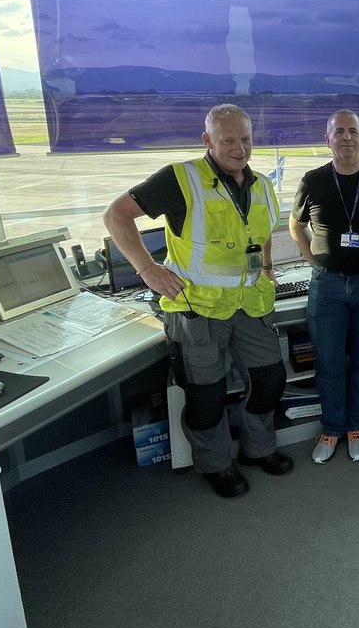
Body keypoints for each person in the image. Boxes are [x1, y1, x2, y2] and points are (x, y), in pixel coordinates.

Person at [103, 103, 292, 498]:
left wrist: (268, 268)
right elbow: (116, 215)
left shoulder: (261, 184)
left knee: (270, 380)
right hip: (197, 308)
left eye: (246, 139)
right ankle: (216, 464)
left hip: (250, 304)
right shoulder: (181, 178)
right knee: (206, 395)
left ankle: (259, 448)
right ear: (208, 140)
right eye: (229, 140)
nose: (239, 148)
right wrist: (148, 269)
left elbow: (259, 235)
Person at [290, 109, 359, 463]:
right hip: (327, 286)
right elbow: (296, 226)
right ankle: (332, 428)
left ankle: (357, 426)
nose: (347, 137)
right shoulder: (312, 181)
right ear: (328, 140)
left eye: (353, 131)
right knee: (329, 361)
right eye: (339, 131)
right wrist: (315, 262)